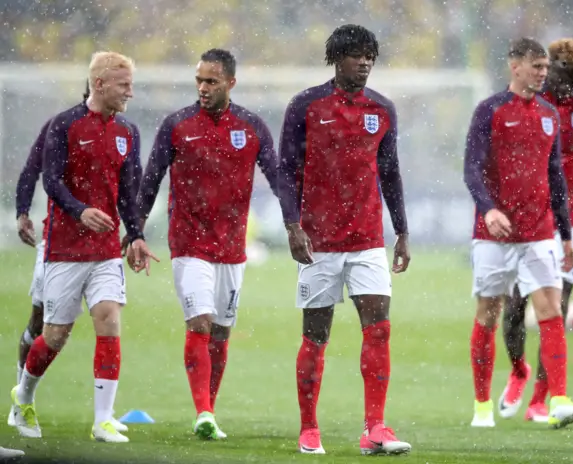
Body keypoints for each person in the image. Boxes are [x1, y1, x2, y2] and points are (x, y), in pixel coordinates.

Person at [277, 24, 411, 456]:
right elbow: (287, 171)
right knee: (316, 336)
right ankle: (309, 428)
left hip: (368, 239)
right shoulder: (306, 106)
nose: (366, 62)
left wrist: (402, 231)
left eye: (370, 55)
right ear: (338, 58)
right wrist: (292, 226)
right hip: (318, 242)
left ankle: (375, 428)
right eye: (357, 55)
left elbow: (389, 173)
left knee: (380, 329)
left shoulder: (382, 108)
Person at [10, 51, 157, 443]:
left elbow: (129, 193)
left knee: (109, 319)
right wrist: (79, 211)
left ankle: (102, 420)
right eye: (124, 85)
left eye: (131, 83)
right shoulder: (64, 125)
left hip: (106, 249)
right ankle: (22, 396)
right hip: (64, 248)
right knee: (55, 335)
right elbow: (50, 180)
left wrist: (137, 233)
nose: (131, 92)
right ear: (99, 84)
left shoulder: (129, 132)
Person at [136, 48, 279, 440]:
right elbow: (150, 180)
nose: (203, 87)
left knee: (220, 332)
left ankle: (209, 411)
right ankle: (202, 411)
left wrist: (297, 223)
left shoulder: (251, 126)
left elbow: (278, 176)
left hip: (232, 248)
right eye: (199, 79)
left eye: (211, 81)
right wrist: (135, 231)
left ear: (231, 83)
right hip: (189, 242)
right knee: (200, 322)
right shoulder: (177, 124)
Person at [463, 37, 573, 429]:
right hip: (494, 236)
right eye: (536, 66)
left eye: (544, 66)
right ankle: (482, 405)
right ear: (514, 66)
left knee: (551, 311)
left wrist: (566, 234)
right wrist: (489, 210)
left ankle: (559, 399)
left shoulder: (550, 114)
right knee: (488, 314)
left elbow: (556, 179)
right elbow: (471, 169)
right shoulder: (489, 110)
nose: (543, 72)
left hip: (539, 232)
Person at [499, 38, 573, 423]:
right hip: (526, 217)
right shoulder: (525, 105)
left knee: (557, 309)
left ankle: (541, 400)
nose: (564, 80)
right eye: (559, 70)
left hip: (570, 220)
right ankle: (518, 370)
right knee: (514, 308)